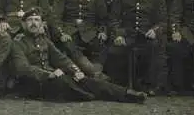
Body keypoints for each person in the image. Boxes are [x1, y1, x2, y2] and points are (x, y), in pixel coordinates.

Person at [10, 7, 147, 103]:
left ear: (41, 23)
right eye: (30, 20)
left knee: (84, 80)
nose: (33, 23)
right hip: (34, 84)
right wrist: (48, 75)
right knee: (64, 81)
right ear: (23, 24)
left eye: (37, 20)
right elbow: (22, 68)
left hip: (54, 79)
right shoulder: (18, 42)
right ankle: (89, 95)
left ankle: (127, 94)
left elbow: (61, 59)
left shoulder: (44, 39)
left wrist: (76, 71)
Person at [107, 0, 167, 95]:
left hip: (147, 34)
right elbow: (114, 19)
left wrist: (155, 30)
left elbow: (162, 20)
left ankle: (148, 84)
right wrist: (119, 34)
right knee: (115, 50)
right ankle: (121, 85)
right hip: (127, 33)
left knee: (153, 48)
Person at [52, 0, 109, 79]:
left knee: (102, 45)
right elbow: (56, 17)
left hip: (90, 31)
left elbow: (103, 17)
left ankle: (96, 72)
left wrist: (103, 31)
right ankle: (94, 73)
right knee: (69, 45)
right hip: (69, 30)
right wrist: (61, 33)